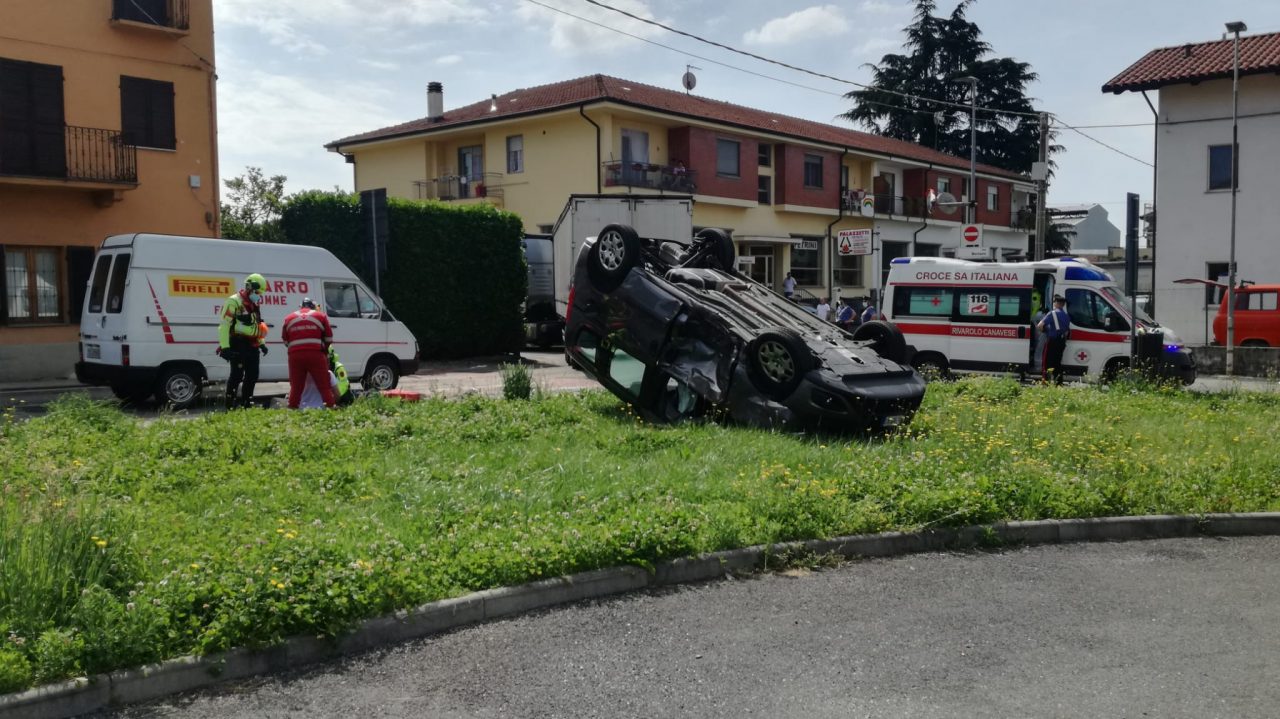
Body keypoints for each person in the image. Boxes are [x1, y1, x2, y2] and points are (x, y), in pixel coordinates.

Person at [216, 273, 269, 409]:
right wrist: (225, 347)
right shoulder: (233, 301)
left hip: (252, 344)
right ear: (250, 287)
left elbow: (257, 324)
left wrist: (262, 344)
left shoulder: (254, 303)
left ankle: (247, 403)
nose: (259, 295)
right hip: (237, 343)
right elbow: (224, 325)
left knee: (253, 375)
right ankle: (230, 406)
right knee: (237, 375)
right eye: (257, 292)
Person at [281, 297, 336, 409]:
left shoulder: (288, 318)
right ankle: (330, 407)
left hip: (295, 356)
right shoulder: (321, 316)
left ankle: (292, 408)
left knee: (296, 386)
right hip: (316, 355)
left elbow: (285, 340)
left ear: (301, 307)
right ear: (313, 307)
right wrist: (323, 351)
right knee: (324, 385)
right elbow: (329, 338)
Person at [1037, 294, 1071, 385]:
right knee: (1057, 363)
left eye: (1054, 302)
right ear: (1063, 304)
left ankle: (1045, 382)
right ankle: (1058, 383)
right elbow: (1067, 332)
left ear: (1056, 303)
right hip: (1061, 342)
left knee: (1047, 362)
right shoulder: (1066, 316)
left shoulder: (1052, 313)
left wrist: (1045, 331)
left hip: (1052, 341)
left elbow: (1040, 326)